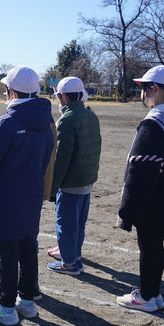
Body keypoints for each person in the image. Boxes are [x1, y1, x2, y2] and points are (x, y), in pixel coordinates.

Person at [0, 67, 54, 325]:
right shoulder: (46, 121)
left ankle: (6, 307)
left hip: (7, 197)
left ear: (11, 91)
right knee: (27, 247)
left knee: (8, 253)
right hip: (32, 194)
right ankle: (27, 302)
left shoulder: (8, 122)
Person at [115, 66, 164, 312]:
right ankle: (154, 293)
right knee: (156, 246)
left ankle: (147, 296)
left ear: (156, 89)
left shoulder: (152, 124)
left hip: (152, 201)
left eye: (144, 88)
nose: (142, 94)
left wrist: (128, 210)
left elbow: (140, 172)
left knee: (148, 247)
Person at [46, 76, 102, 276]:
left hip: (71, 182)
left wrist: (52, 188)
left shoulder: (66, 121)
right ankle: (75, 257)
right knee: (78, 222)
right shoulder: (90, 115)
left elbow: (61, 160)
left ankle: (69, 263)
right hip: (87, 179)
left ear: (63, 97)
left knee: (66, 224)